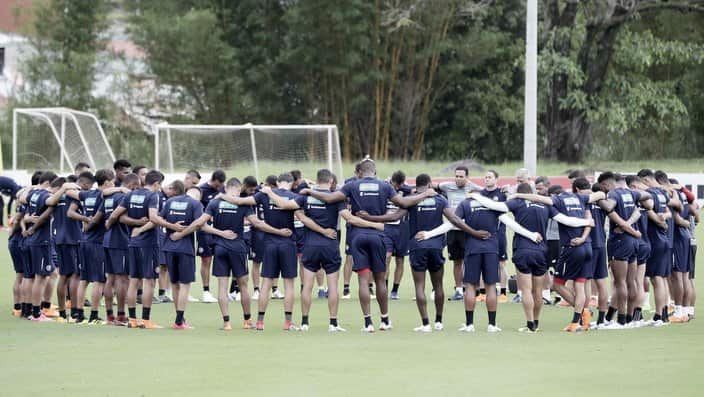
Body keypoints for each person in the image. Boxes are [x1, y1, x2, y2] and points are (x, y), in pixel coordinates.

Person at [302, 159, 438, 332]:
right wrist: (424, 194)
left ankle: (368, 323)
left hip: (357, 236)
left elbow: (329, 198)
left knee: (363, 280)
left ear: (360, 172)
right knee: (380, 279)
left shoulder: (352, 185)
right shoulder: (384, 186)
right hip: (378, 236)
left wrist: (310, 191)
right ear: (374, 171)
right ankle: (384, 320)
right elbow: (403, 204)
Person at [264, 169, 386, 332]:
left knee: (307, 285)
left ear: (317, 180)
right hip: (330, 245)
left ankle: (305, 323)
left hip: (310, 245)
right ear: (330, 182)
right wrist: (374, 224)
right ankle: (333, 323)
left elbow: (286, 206)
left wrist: (269, 192)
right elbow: (349, 218)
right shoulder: (335, 199)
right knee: (333, 286)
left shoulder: (307, 196)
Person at [512, 183, 606, 331]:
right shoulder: (580, 198)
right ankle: (581, 318)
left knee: (556, 284)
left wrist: (519, 195)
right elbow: (599, 199)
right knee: (580, 285)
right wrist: (583, 238)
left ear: (553, 195)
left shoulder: (557, 200)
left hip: (572, 248)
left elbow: (539, 198)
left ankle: (580, 315)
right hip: (588, 245)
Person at [218, 173, 302, 331]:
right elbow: (301, 217)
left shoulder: (263, 195)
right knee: (289, 285)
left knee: (266, 284)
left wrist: (222, 194)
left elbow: (239, 201)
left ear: (277, 182)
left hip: (269, 244)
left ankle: (260, 322)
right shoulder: (294, 196)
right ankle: (288, 322)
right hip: (288, 243)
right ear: (291, 183)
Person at [406, 174, 490, 332]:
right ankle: (439, 322)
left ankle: (425, 324)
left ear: (416, 186)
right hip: (436, 246)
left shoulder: (411, 200)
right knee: (438, 284)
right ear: (430, 184)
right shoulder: (440, 200)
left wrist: (374, 219)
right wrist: (474, 232)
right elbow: (455, 220)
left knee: (419, 286)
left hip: (417, 246)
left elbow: (395, 215)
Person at [114, 170, 167, 329]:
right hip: (148, 244)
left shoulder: (131, 194)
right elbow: (153, 218)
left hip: (133, 243)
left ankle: (132, 320)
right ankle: (146, 320)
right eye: (160, 185)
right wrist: (142, 229)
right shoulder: (153, 196)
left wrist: (135, 225)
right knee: (149, 282)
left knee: (134, 281)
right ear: (156, 183)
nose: (160, 188)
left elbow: (120, 217)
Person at [597, 172, 650, 328]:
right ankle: (630, 318)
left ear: (606, 184)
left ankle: (620, 320)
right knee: (631, 281)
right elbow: (646, 195)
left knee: (620, 282)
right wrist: (629, 222)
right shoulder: (631, 193)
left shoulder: (613, 193)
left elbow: (609, 206)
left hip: (620, 241)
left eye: (603, 188)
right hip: (634, 242)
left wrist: (599, 198)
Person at [151, 180, 203, 330]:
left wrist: (171, 227)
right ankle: (179, 321)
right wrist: (181, 234)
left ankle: (180, 319)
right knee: (185, 284)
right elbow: (199, 223)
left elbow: (159, 219)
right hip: (184, 248)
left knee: (174, 284)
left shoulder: (170, 202)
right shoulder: (195, 204)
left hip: (169, 247)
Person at [437, 166, 482, 301]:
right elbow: (432, 186)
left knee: (471, 260)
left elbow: (488, 193)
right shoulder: (447, 186)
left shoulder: (473, 188)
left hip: (467, 230)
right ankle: (458, 290)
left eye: (461, 176)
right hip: (452, 230)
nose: (458, 179)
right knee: (457, 261)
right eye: (456, 176)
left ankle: (474, 289)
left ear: (467, 177)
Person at [103, 173, 140, 325]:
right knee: (122, 279)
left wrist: (107, 224)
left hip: (108, 240)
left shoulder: (109, 197)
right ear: (132, 185)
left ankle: (109, 315)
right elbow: (117, 216)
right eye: (136, 187)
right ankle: (121, 315)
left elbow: (100, 215)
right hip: (120, 241)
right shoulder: (124, 197)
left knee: (110, 277)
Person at [637, 169, 673, 326]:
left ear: (645, 180)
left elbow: (650, 211)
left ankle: (659, 315)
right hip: (664, 239)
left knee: (656, 279)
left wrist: (659, 221)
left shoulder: (649, 194)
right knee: (662, 278)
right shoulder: (662, 193)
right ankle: (664, 313)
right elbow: (668, 212)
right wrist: (664, 218)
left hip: (654, 240)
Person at [197, 170, 227, 303]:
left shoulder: (223, 190)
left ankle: (225, 291)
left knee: (222, 258)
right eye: (217, 185)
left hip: (220, 229)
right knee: (206, 260)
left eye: (221, 185)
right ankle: (206, 291)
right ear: (213, 179)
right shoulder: (201, 190)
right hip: (205, 231)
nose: (218, 187)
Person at [481, 170, 509, 303]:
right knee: (482, 262)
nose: (487, 179)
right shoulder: (481, 194)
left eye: (490, 177)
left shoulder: (502, 194)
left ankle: (503, 292)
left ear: (496, 179)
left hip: (499, 233)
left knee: (501, 263)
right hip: (484, 233)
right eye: (485, 177)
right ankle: (482, 293)